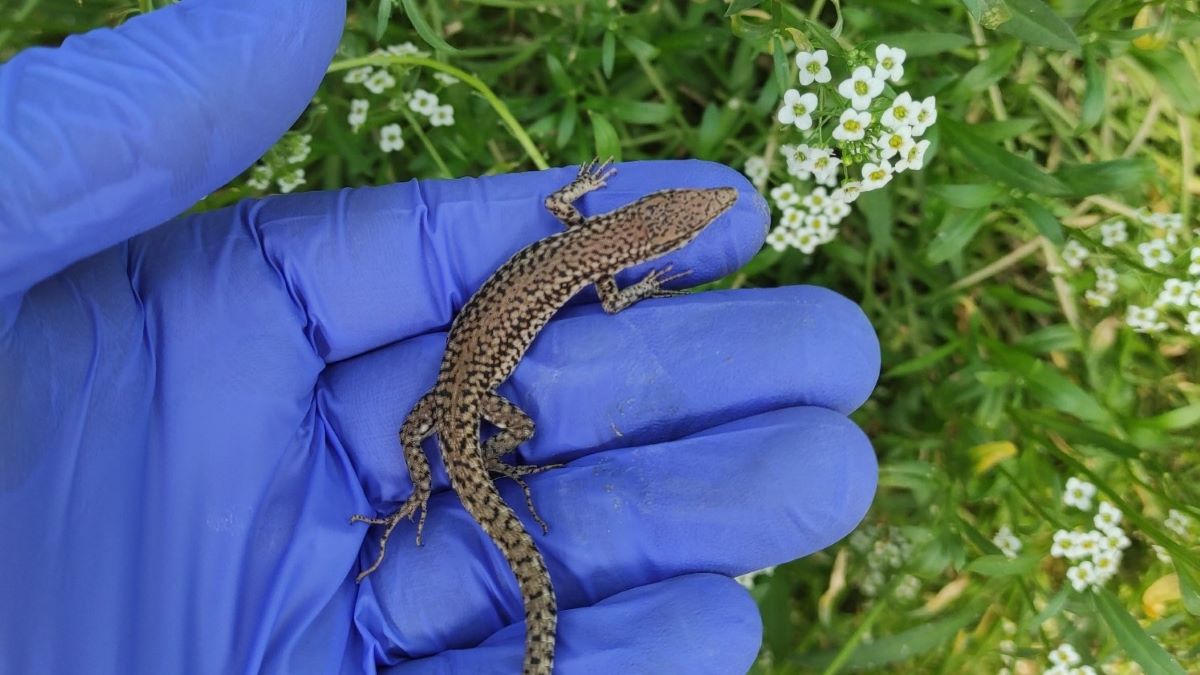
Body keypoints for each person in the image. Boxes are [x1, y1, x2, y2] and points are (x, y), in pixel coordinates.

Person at [0, 1, 880, 672]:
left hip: (455, 391)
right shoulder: (606, 267)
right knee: (518, 432)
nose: (693, 212)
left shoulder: (587, 239)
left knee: (458, 443)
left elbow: (561, 205)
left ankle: (421, 500)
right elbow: (610, 302)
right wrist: (640, 288)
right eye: (679, 219)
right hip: (462, 398)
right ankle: (445, 495)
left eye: (683, 220)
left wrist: (586, 195)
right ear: (651, 226)